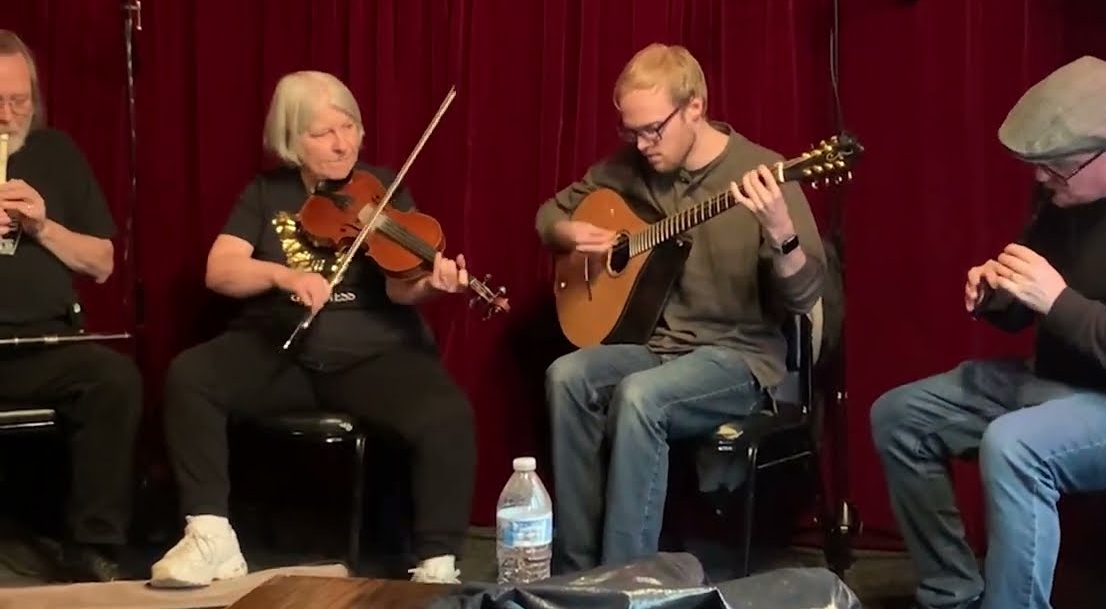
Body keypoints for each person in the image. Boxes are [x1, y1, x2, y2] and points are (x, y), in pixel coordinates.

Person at [869, 56, 1106, 609]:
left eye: (1057, 168)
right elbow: (1028, 305)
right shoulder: (1068, 190)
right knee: (901, 416)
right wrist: (999, 294)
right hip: (1076, 384)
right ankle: (953, 596)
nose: (1041, 179)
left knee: (1015, 446)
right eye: (1037, 166)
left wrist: (1058, 302)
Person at [150, 71, 477, 587]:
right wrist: (283, 276)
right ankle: (211, 535)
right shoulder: (266, 193)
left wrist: (431, 285)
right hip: (282, 351)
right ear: (290, 140)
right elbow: (220, 269)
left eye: (349, 127)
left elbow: (401, 288)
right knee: (191, 376)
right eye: (323, 133)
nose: (342, 143)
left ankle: (437, 563)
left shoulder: (383, 188)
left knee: (447, 414)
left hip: (372, 356)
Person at [536, 43, 827, 572]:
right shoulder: (631, 167)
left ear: (695, 106)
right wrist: (568, 232)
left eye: (653, 130)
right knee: (567, 377)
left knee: (640, 396)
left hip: (737, 358)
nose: (643, 145)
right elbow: (548, 216)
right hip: (658, 348)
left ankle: (625, 581)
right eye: (631, 132)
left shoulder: (763, 172)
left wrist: (781, 232)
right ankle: (574, 573)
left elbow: (804, 295)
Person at [0, 30, 142, 582]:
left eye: (19, 101)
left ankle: (92, 546)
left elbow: (102, 262)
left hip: (44, 343)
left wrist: (42, 226)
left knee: (114, 379)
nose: (8, 115)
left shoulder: (56, 152)